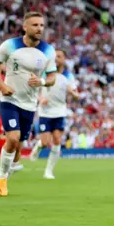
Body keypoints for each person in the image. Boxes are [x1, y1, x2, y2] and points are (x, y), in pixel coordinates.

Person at [0, 11, 57, 197]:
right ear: (25, 27)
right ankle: (1, 180)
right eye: (35, 25)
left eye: (42, 25)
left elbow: (52, 77)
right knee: (12, 138)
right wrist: (2, 85)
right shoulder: (10, 45)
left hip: (29, 105)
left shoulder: (48, 50)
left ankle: (7, 168)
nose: (39, 29)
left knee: (17, 153)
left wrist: (41, 82)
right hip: (9, 100)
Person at [30, 49, 79, 179]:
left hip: (59, 111)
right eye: (54, 56)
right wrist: (40, 99)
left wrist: (73, 93)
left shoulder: (68, 76)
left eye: (59, 56)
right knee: (45, 142)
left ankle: (48, 171)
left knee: (57, 139)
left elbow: (76, 96)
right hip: (45, 111)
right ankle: (38, 146)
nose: (57, 59)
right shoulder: (45, 73)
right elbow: (33, 89)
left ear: (64, 59)